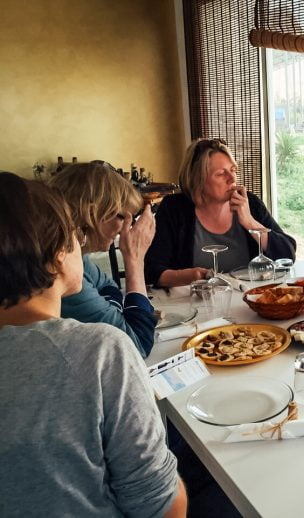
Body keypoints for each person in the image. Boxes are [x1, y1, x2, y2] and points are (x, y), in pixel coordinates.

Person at [0, 172, 186, 517]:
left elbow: (112, 294)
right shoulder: (100, 351)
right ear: (58, 254)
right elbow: (164, 509)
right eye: (74, 233)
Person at [145, 138, 296, 287]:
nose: (232, 179)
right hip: (194, 304)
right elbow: (152, 271)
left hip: (249, 302)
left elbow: (288, 255)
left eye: (232, 170)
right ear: (199, 180)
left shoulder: (249, 203)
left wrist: (250, 222)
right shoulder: (174, 209)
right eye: (221, 174)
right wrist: (189, 276)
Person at [50, 162, 157, 357]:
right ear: (92, 213)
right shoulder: (61, 268)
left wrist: (113, 310)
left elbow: (110, 287)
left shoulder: (77, 254)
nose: (127, 226)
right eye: (122, 217)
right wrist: (135, 260)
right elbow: (136, 344)